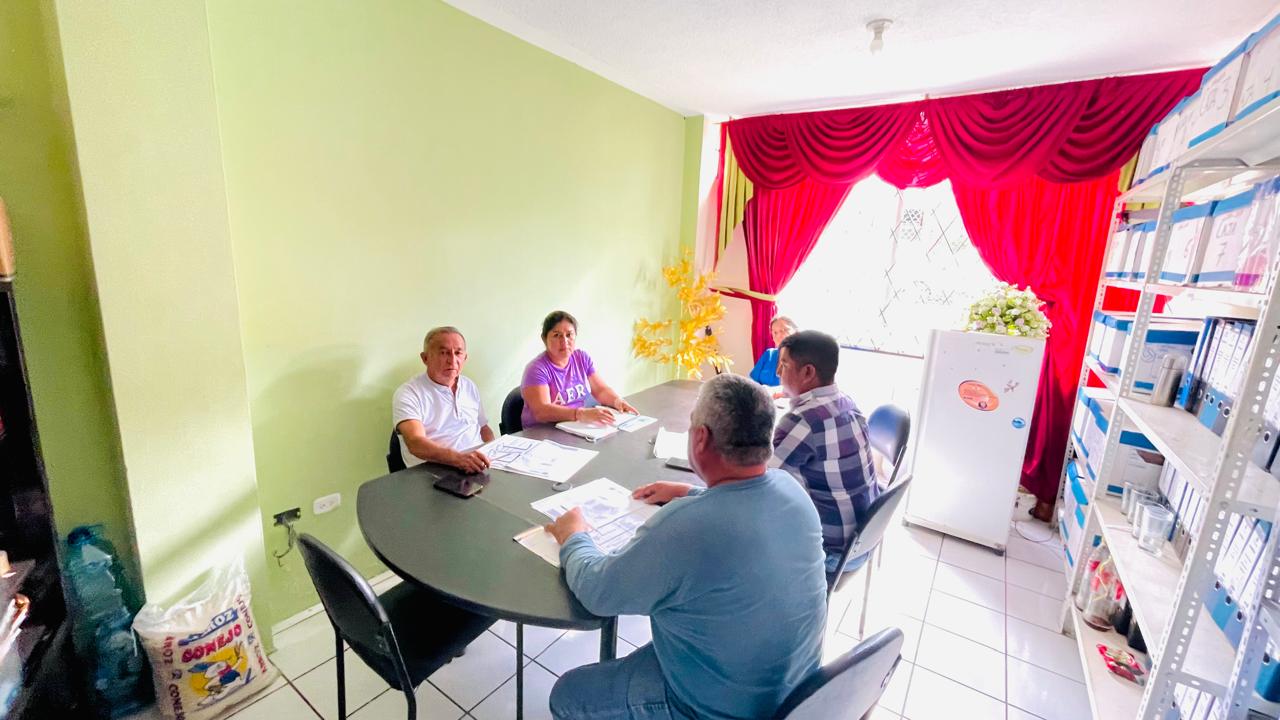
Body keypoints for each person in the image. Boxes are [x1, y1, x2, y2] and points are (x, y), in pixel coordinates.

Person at [543, 374, 826, 720]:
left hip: (718, 709)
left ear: (701, 438)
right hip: (793, 694)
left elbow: (598, 593)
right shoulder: (792, 490)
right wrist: (690, 492)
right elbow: (742, 509)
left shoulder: (688, 526)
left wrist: (573, 535)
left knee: (569, 694)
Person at [771, 330, 881, 575]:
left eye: (784, 365)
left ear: (808, 372)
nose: (778, 372)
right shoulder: (847, 403)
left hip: (831, 554)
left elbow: (763, 483)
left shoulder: (802, 420)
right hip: (863, 539)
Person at [392, 326, 494, 472]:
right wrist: (459, 459)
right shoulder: (409, 393)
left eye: (458, 353)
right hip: (433, 472)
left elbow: (484, 428)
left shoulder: (469, 385)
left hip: (475, 465)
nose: (452, 360)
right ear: (425, 358)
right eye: (444, 353)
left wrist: (492, 451)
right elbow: (415, 442)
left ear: (465, 358)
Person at [521, 310, 637, 427]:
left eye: (569, 335)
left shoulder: (581, 358)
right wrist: (580, 414)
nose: (564, 341)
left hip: (575, 425)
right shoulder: (536, 369)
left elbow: (600, 390)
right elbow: (542, 412)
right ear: (544, 339)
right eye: (557, 335)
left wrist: (617, 401)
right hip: (544, 431)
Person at [748, 315, 798, 387]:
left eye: (783, 330)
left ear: (796, 332)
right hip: (759, 393)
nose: (778, 336)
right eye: (775, 332)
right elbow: (752, 380)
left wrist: (773, 391)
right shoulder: (769, 354)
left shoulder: (804, 357)